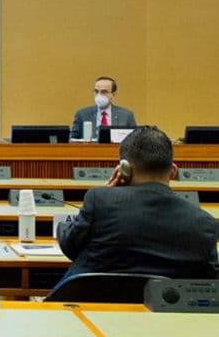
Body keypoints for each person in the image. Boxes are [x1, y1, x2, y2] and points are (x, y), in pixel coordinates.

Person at [57, 125, 219, 280]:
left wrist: (105, 193)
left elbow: (71, 247)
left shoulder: (100, 201)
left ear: (124, 169)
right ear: (173, 171)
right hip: (164, 300)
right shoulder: (204, 224)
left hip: (94, 298)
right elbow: (209, 280)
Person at [70, 76, 136, 140]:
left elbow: (134, 140)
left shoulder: (126, 115)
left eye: (104, 92)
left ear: (113, 95)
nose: (99, 95)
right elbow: (72, 140)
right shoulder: (82, 114)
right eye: (96, 91)